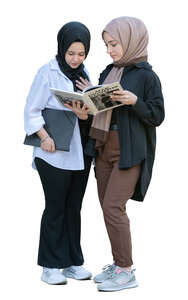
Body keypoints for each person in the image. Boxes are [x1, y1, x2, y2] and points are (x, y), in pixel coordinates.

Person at [77, 16, 165, 292]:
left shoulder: (146, 76)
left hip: (129, 151)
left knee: (113, 207)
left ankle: (126, 271)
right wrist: (84, 108)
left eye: (114, 44)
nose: (110, 50)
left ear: (130, 40)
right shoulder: (107, 73)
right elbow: (100, 111)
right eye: (107, 45)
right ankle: (118, 263)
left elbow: (157, 115)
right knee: (108, 209)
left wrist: (135, 101)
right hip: (102, 147)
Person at [24, 21, 93, 285]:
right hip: (52, 152)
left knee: (74, 207)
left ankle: (73, 262)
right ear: (62, 48)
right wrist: (44, 137)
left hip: (80, 153)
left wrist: (84, 112)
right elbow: (30, 111)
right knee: (55, 208)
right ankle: (51, 265)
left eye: (81, 53)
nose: (76, 59)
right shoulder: (47, 72)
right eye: (71, 53)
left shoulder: (86, 74)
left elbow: (87, 115)